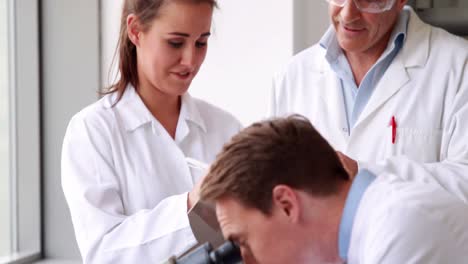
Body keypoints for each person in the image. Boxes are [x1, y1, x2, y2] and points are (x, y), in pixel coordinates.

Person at [61, 0, 241, 262]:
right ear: (135, 31)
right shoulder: (92, 132)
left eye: (201, 43)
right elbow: (103, 253)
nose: (190, 60)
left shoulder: (226, 127)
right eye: (175, 43)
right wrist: (191, 206)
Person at [200, 116, 468, 264]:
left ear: (286, 204)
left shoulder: (402, 226)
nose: (246, 261)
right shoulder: (359, 240)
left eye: (242, 242)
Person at [270, 0, 468, 201]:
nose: (348, 14)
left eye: (367, 1)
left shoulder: (459, 66)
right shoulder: (292, 76)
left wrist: (366, 174)